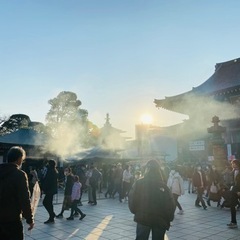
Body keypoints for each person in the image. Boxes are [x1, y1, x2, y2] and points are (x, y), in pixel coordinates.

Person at [128, 160, 175, 240]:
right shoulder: (163, 187)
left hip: (143, 218)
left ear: (146, 170)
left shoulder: (138, 184)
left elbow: (132, 200)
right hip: (160, 219)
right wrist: (169, 218)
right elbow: (170, 205)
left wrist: (136, 211)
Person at [0, 146, 34, 240]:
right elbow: (24, 199)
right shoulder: (19, 175)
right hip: (12, 220)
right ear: (19, 159)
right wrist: (29, 219)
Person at [41, 159, 58, 224]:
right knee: (50, 203)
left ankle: (52, 214)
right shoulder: (54, 170)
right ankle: (51, 217)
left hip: (49, 190)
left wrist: (44, 189)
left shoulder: (50, 171)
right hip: (52, 190)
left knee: (45, 202)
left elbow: (47, 181)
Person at [227, 159, 240, 228]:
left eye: (234, 164)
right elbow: (232, 183)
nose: (233, 165)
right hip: (234, 191)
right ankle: (233, 222)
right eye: (232, 164)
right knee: (232, 206)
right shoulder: (233, 171)